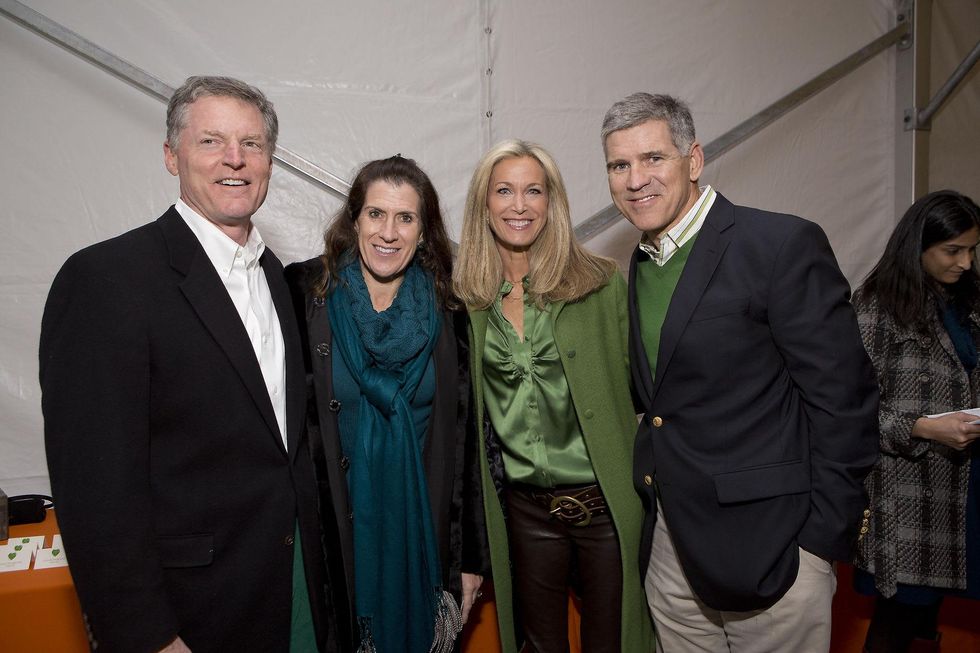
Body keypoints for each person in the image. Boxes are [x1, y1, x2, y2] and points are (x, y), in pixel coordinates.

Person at [39, 76, 333, 652]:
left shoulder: (281, 279)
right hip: (187, 616)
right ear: (172, 156)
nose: (235, 159)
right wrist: (144, 634)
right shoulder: (106, 280)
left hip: (289, 597)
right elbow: (96, 486)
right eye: (212, 141)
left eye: (252, 144)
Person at [601, 92, 880, 652]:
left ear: (694, 160)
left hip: (774, 551)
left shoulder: (778, 244)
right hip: (673, 551)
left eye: (653, 158)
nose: (636, 179)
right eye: (619, 165)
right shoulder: (640, 262)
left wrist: (819, 540)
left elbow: (844, 401)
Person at [453, 139, 654, 653]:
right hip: (524, 511)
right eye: (504, 190)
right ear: (484, 204)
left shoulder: (600, 283)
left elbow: (648, 391)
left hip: (606, 507)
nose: (519, 205)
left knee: (614, 642)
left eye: (533, 191)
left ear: (552, 202)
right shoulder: (465, 301)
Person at [285, 155, 488, 653]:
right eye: (376, 214)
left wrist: (469, 558)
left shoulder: (453, 310)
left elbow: (469, 447)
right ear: (354, 219)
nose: (388, 232)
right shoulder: (302, 293)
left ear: (425, 231)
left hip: (422, 532)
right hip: (331, 534)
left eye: (406, 217)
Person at [852, 190, 980, 652]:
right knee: (897, 621)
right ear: (917, 246)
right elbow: (851, 411)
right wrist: (924, 427)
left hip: (965, 489)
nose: (965, 262)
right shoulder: (875, 307)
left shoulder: (969, 305)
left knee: (928, 620)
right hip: (908, 495)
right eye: (953, 250)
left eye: (972, 250)